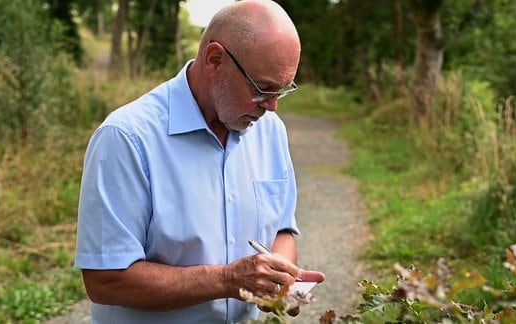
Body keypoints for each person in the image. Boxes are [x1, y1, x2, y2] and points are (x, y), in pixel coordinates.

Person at [73, 0, 326, 323]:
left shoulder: (270, 131)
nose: (273, 106)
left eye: (283, 90)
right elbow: (105, 280)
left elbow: (282, 229)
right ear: (215, 59)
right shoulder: (126, 138)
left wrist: (277, 279)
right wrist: (227, 280)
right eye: (263, 89)